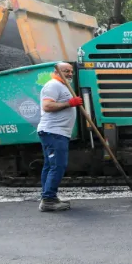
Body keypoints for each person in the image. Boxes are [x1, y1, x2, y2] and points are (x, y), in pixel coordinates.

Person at [37, 62, 83, 212]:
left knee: (50, 166)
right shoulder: (53, 85)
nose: (70, 74)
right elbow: (47, 106)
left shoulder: (62, 85)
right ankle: (49, 200)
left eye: (71, 71)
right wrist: (69, 103)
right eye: (66, 71)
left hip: (56, 132)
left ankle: (47, 196)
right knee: (58, 165)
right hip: (54, 132)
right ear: (57, 71)